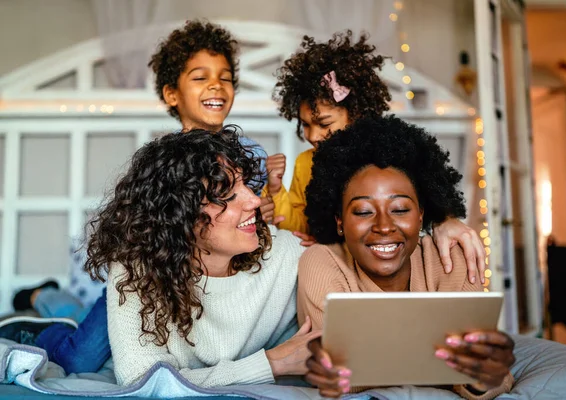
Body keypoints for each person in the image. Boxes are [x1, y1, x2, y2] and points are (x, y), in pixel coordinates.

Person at [1, 20, 274, 375]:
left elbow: (252, 223)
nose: (215, 85)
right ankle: (42, 305)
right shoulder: (161, 162)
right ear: (172, 94)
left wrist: (269, 207)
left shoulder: (249, 154)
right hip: (150, 276)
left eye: (224, 77)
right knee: (78, 357)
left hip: (210, 283)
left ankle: (60, 303)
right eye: (199, 76)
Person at [297, 116, 514, 399]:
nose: (384, 226)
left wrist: (480, 378)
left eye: (400, 209)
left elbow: (485, 374)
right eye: (363, 211)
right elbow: (340, 373)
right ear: (339, 221)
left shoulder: (451, 259)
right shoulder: (320, 262)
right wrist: (444, 365)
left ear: (422, 214)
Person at [90, 127, 316, 386]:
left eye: (246, 185)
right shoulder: (137, 268)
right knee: (77, 356)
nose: (254, 201)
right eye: (228, 195)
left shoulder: (286, 252)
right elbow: (141, 379)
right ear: (180, 215)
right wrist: (273, 363)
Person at [266, 31, 486, 283]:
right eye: (305, 125)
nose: (313, 135)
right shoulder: (305, 162)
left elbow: (424, 197)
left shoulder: (386, 157)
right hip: (335, 267)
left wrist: (445, 219)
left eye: (324, 123)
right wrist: (276, 191)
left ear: (357, 113)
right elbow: (299, 223)